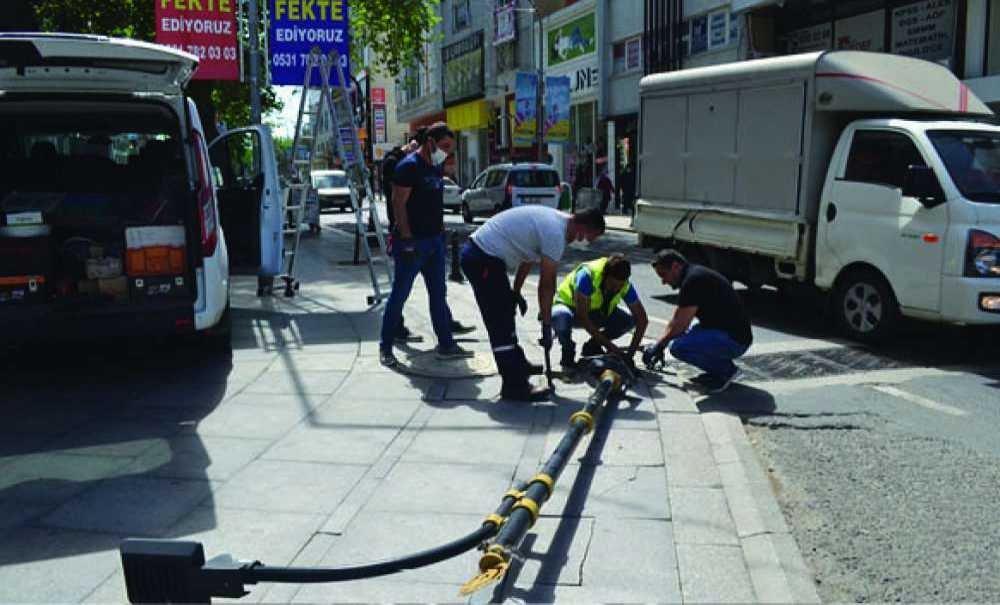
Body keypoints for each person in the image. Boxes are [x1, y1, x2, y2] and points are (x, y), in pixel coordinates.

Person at [460, 206, 607, 401]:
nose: (588, 243)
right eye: (591, 237)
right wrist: (546, 325)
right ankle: (514, 386)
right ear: (582, 227)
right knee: (500, 323)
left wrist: (516, 291)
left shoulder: (558, 223)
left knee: (505, 313)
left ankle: (518, 364)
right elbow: (546, 286)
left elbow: (528, 258)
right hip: (483, 259)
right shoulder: (555, 233)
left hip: (485, 256)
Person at [379, 122, 471, 367]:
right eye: (444, 147)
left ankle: (447, 344)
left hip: (434, 242)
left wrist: (439, 230)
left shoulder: (436, 166)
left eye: (450, 149)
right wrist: (407, 239)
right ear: (430, 142)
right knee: (399, 295)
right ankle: (386, 347)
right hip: (412, 242)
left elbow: (433, 200)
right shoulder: (408, 167)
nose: (447, 153)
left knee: (438, 295)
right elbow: (399, 205)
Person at [643, 250, 753, 393]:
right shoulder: (692, 275)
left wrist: (659, 347)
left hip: (735, 341)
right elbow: (677, 319)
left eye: (664, 275)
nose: (664, 282)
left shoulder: (693, 280)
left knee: (679, 347)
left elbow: (681, 326)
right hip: (726, 331)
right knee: (680, 338)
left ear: (676, 266)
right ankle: (717, 370)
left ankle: (726, 371)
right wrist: (659, 344)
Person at [551, 254, 648, 370]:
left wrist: (629, 356)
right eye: (612, 285)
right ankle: (568, 351)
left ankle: (592, 346)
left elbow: (642, 319)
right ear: (604, 276)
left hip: (596, 312)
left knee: (628, 321)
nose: (616, 289)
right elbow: (583, 318)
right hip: (570, 309)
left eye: (620, 286)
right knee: (560, 318)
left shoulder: (625, 285)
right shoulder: (587, 276)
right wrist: (612, 348)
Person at [380, 140, 421, 343]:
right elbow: (396, 200)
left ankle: (446, 323)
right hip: (404, 233)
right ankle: (395, 328)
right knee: (401, 285)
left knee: (437, 286)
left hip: (422, 233)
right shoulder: (395, 163)